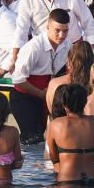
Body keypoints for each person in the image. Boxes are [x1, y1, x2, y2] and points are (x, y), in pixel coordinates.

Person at [9, 9, 70, 144]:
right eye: (57, 30)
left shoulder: (67, 45)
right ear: (47, 27)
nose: (61, 35)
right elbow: (18, 79)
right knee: (33, 139)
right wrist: (41, 94)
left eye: (65, 31)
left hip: (48, 95)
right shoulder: (33, 47)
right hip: (25, 97)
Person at [46, 83, 94, 187]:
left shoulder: (56, 125)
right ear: (85, 102)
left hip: (68, 179)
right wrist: (88, 156)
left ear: (64, 105)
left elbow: (54, 158)